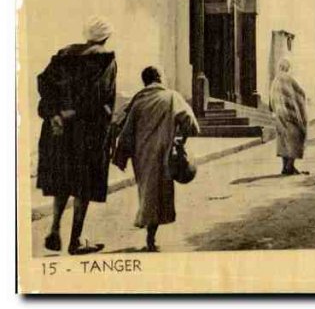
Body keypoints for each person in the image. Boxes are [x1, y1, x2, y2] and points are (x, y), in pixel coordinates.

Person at [36, 16, 116, 255]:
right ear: (106, 37)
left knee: (62, 180)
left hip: (59, 132)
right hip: (87, 133)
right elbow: (99, 98)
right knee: (84, 185)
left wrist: (54, 115)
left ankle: (54, 228)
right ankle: (76, 239)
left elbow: (43, 84)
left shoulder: (64, 55)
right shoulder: (105, 60)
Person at [113, 67, 199, 252]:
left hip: (141, 155)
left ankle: (148, 230)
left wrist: (121, 157)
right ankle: (150, 237)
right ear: (159, 78)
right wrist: (182, 139)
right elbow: (190, 121)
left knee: (147, 192)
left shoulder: (137, 100)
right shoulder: (171, 96)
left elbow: (126, 131)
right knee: (159, 194)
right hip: (163, 153)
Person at [269, 58, 307, 175]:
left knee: (283, 141)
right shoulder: (288, 79)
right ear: (287, 68)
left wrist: (274, 109)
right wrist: (300, 108)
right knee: (296, 138)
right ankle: (290, 166)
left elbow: (271, 98)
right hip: (290, 115)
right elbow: (300, 93)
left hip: (279, 115)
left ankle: (284, 167)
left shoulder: (275, 80)